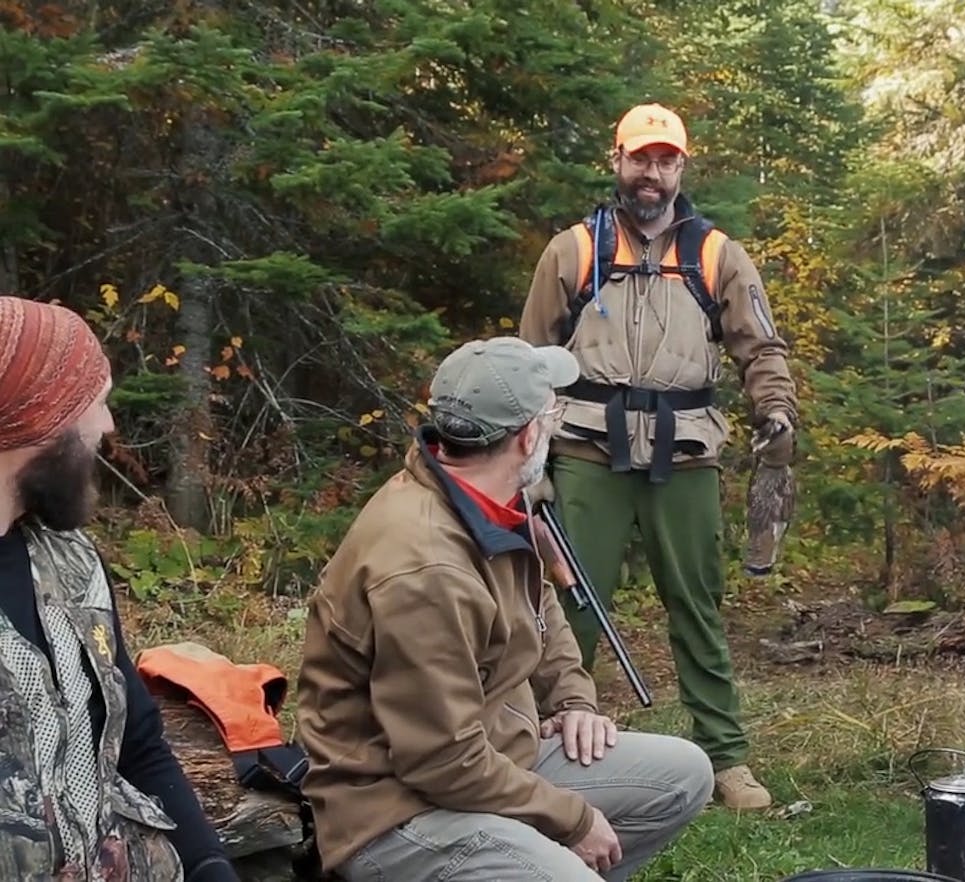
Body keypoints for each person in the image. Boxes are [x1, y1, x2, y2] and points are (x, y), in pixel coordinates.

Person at [295, 336, 715, 881]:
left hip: (493, 760)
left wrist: (572, 699)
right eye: (553, 411)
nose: (556, 421)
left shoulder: (496, 497)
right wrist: (571, 820)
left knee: (684, 774)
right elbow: (440, 759)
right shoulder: (424, 567)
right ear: (527, 435)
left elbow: (540, 602)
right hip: (395, 808)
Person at [518, 102, 799, 811]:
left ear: (682, 166)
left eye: (665, 159)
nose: (652, 171)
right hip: (585, 449)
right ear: (617, 161)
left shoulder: (717, 254)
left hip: (687, 451)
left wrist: (776, 411)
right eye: (640, 157)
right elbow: (527, 358)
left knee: (696, 605)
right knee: (569, 601)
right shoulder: (573, 250)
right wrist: (524, 458)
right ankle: (533, 743)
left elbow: (760, 347)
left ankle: (725, 758)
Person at [0, 296, 239, 881]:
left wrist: (210, 865)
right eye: (97, 405)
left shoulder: (68, 561)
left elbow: (137, 741)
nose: (108, 428)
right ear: (42, 420)